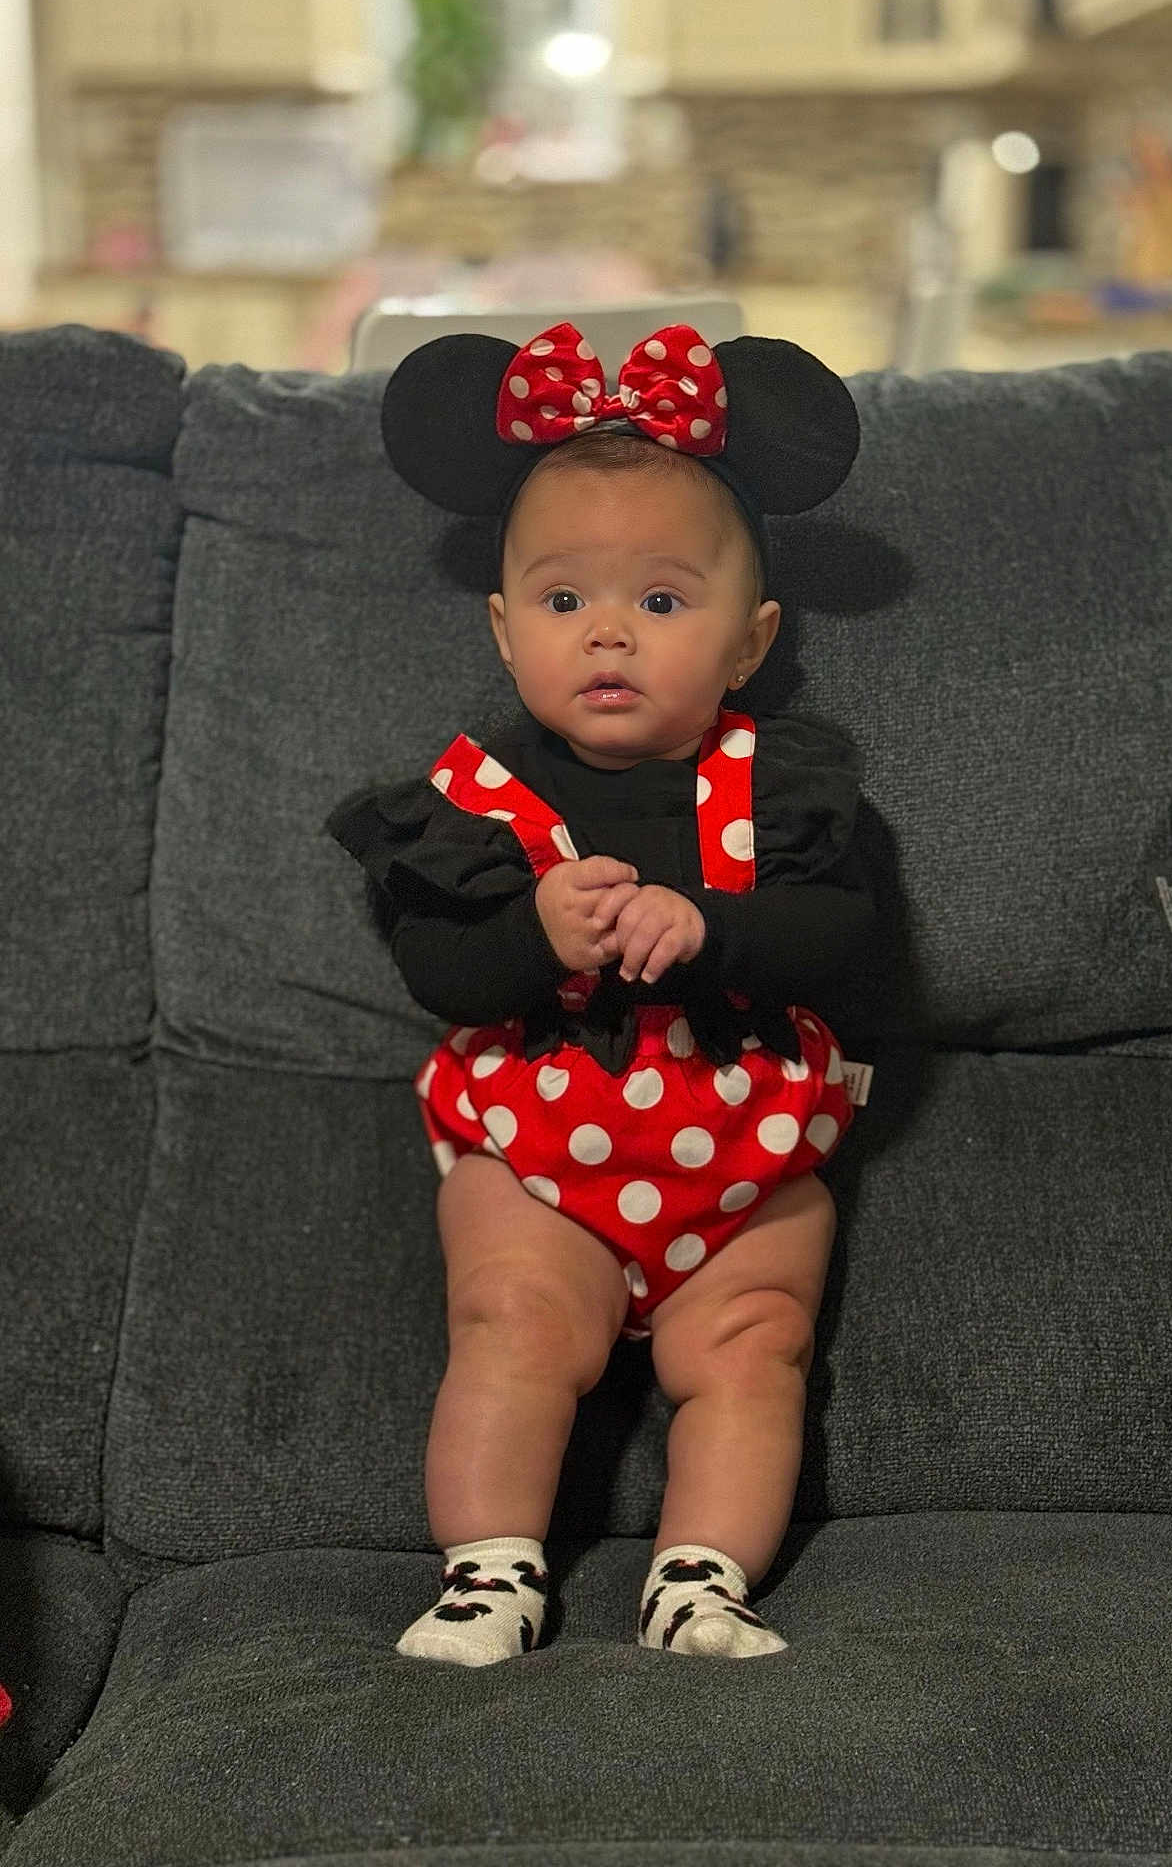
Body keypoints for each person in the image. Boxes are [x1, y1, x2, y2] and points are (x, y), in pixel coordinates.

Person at [325, 318, 875, 1667]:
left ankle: (703, 1580)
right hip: (537, 1147)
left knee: (755, 1348)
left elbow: (845, 940)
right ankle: (490, 1572)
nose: (610, 636)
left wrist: (717, 929)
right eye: (566, 603)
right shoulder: (472, 805)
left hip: (744, 1146)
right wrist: (534, 937)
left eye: (663, 603)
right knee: (509, 1327)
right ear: (508, 634)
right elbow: (439, 975)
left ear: (750, 643)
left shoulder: (786, 780)